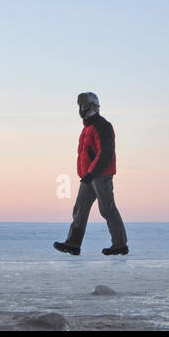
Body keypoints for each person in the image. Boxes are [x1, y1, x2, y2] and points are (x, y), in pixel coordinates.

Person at [53, 92, 129, 256]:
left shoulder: (102, 126)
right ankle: (73, 244)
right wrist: (87, 173)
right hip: (88, 176)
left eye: (84, 105)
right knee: (80, 209)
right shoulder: (87, 128)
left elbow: (106, 152)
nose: (81, 108)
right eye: (80, 105)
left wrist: (93, 171)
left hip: (101, 175)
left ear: (92, 106)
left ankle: (120, 244)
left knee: (107, 209)